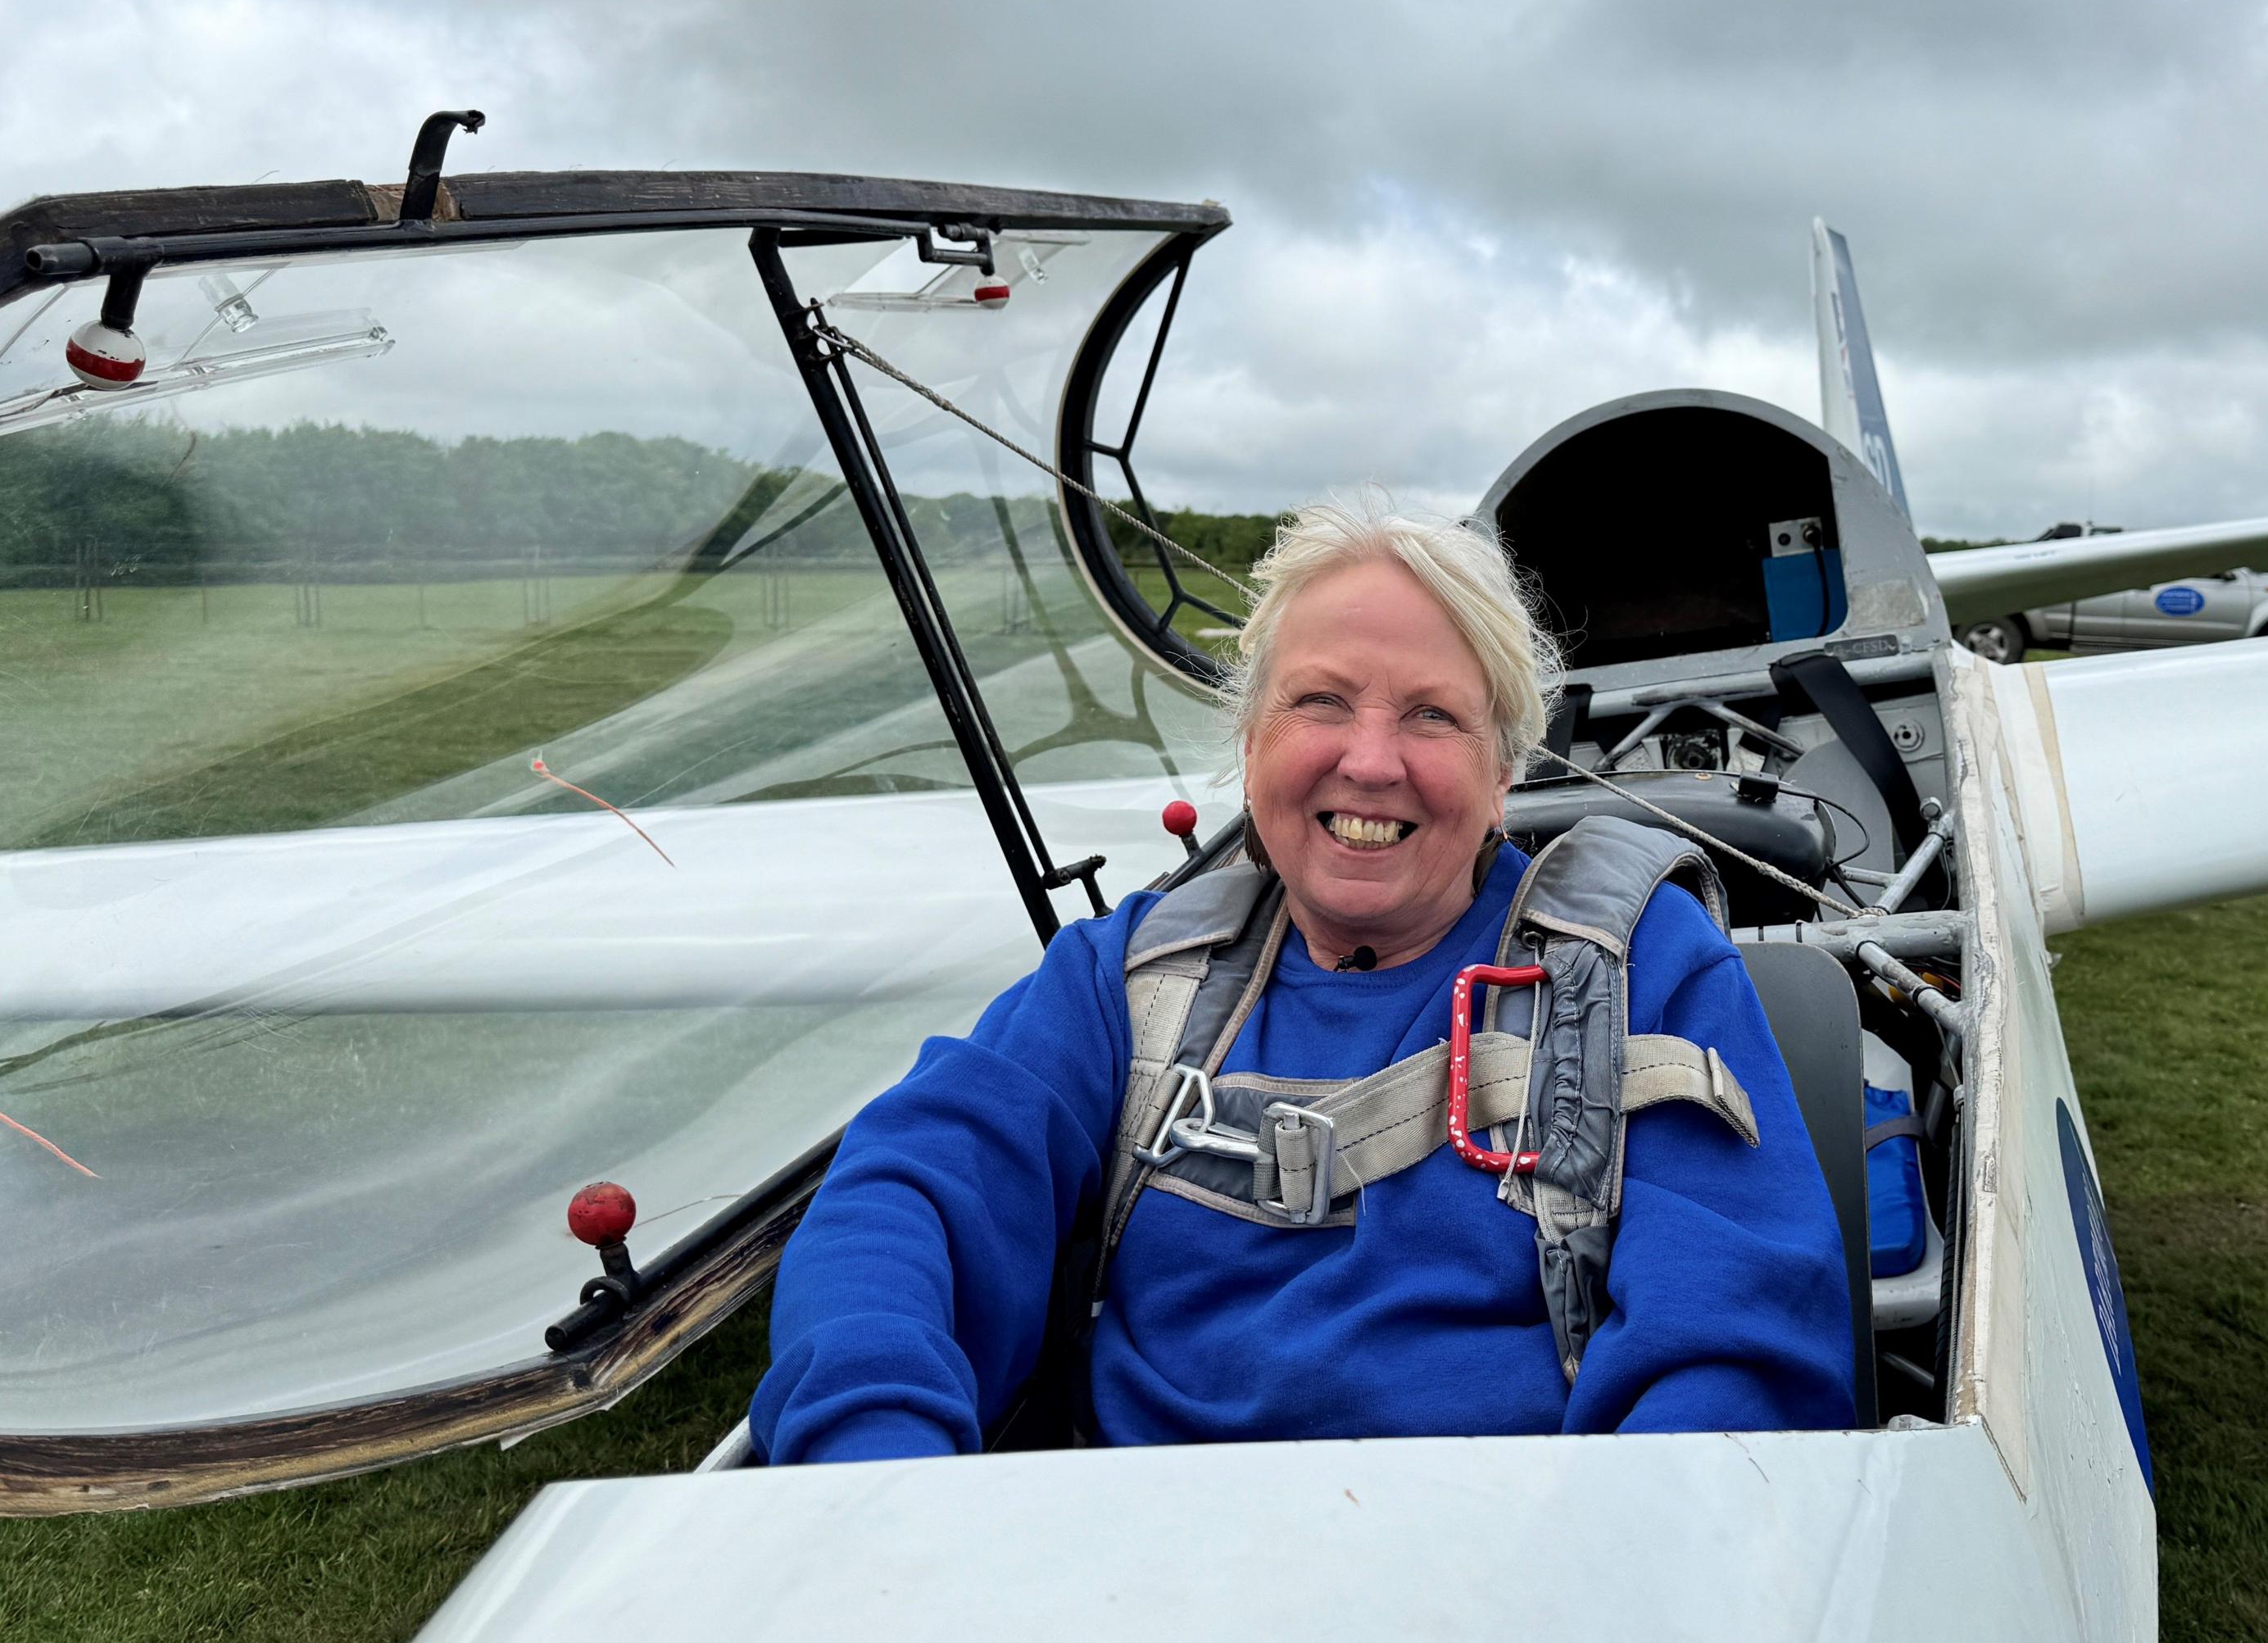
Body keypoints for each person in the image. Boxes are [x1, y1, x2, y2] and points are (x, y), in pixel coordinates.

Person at [754, 501, 1853, 1463]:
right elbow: (901, 1203)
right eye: (1320, 702)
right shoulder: (1128, 982)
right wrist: (879, 1473)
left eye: (1432, 714)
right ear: (1249, 742)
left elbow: (1731, 1349)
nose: (1370, 762)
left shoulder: (1633, 969)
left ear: (1505, 764)